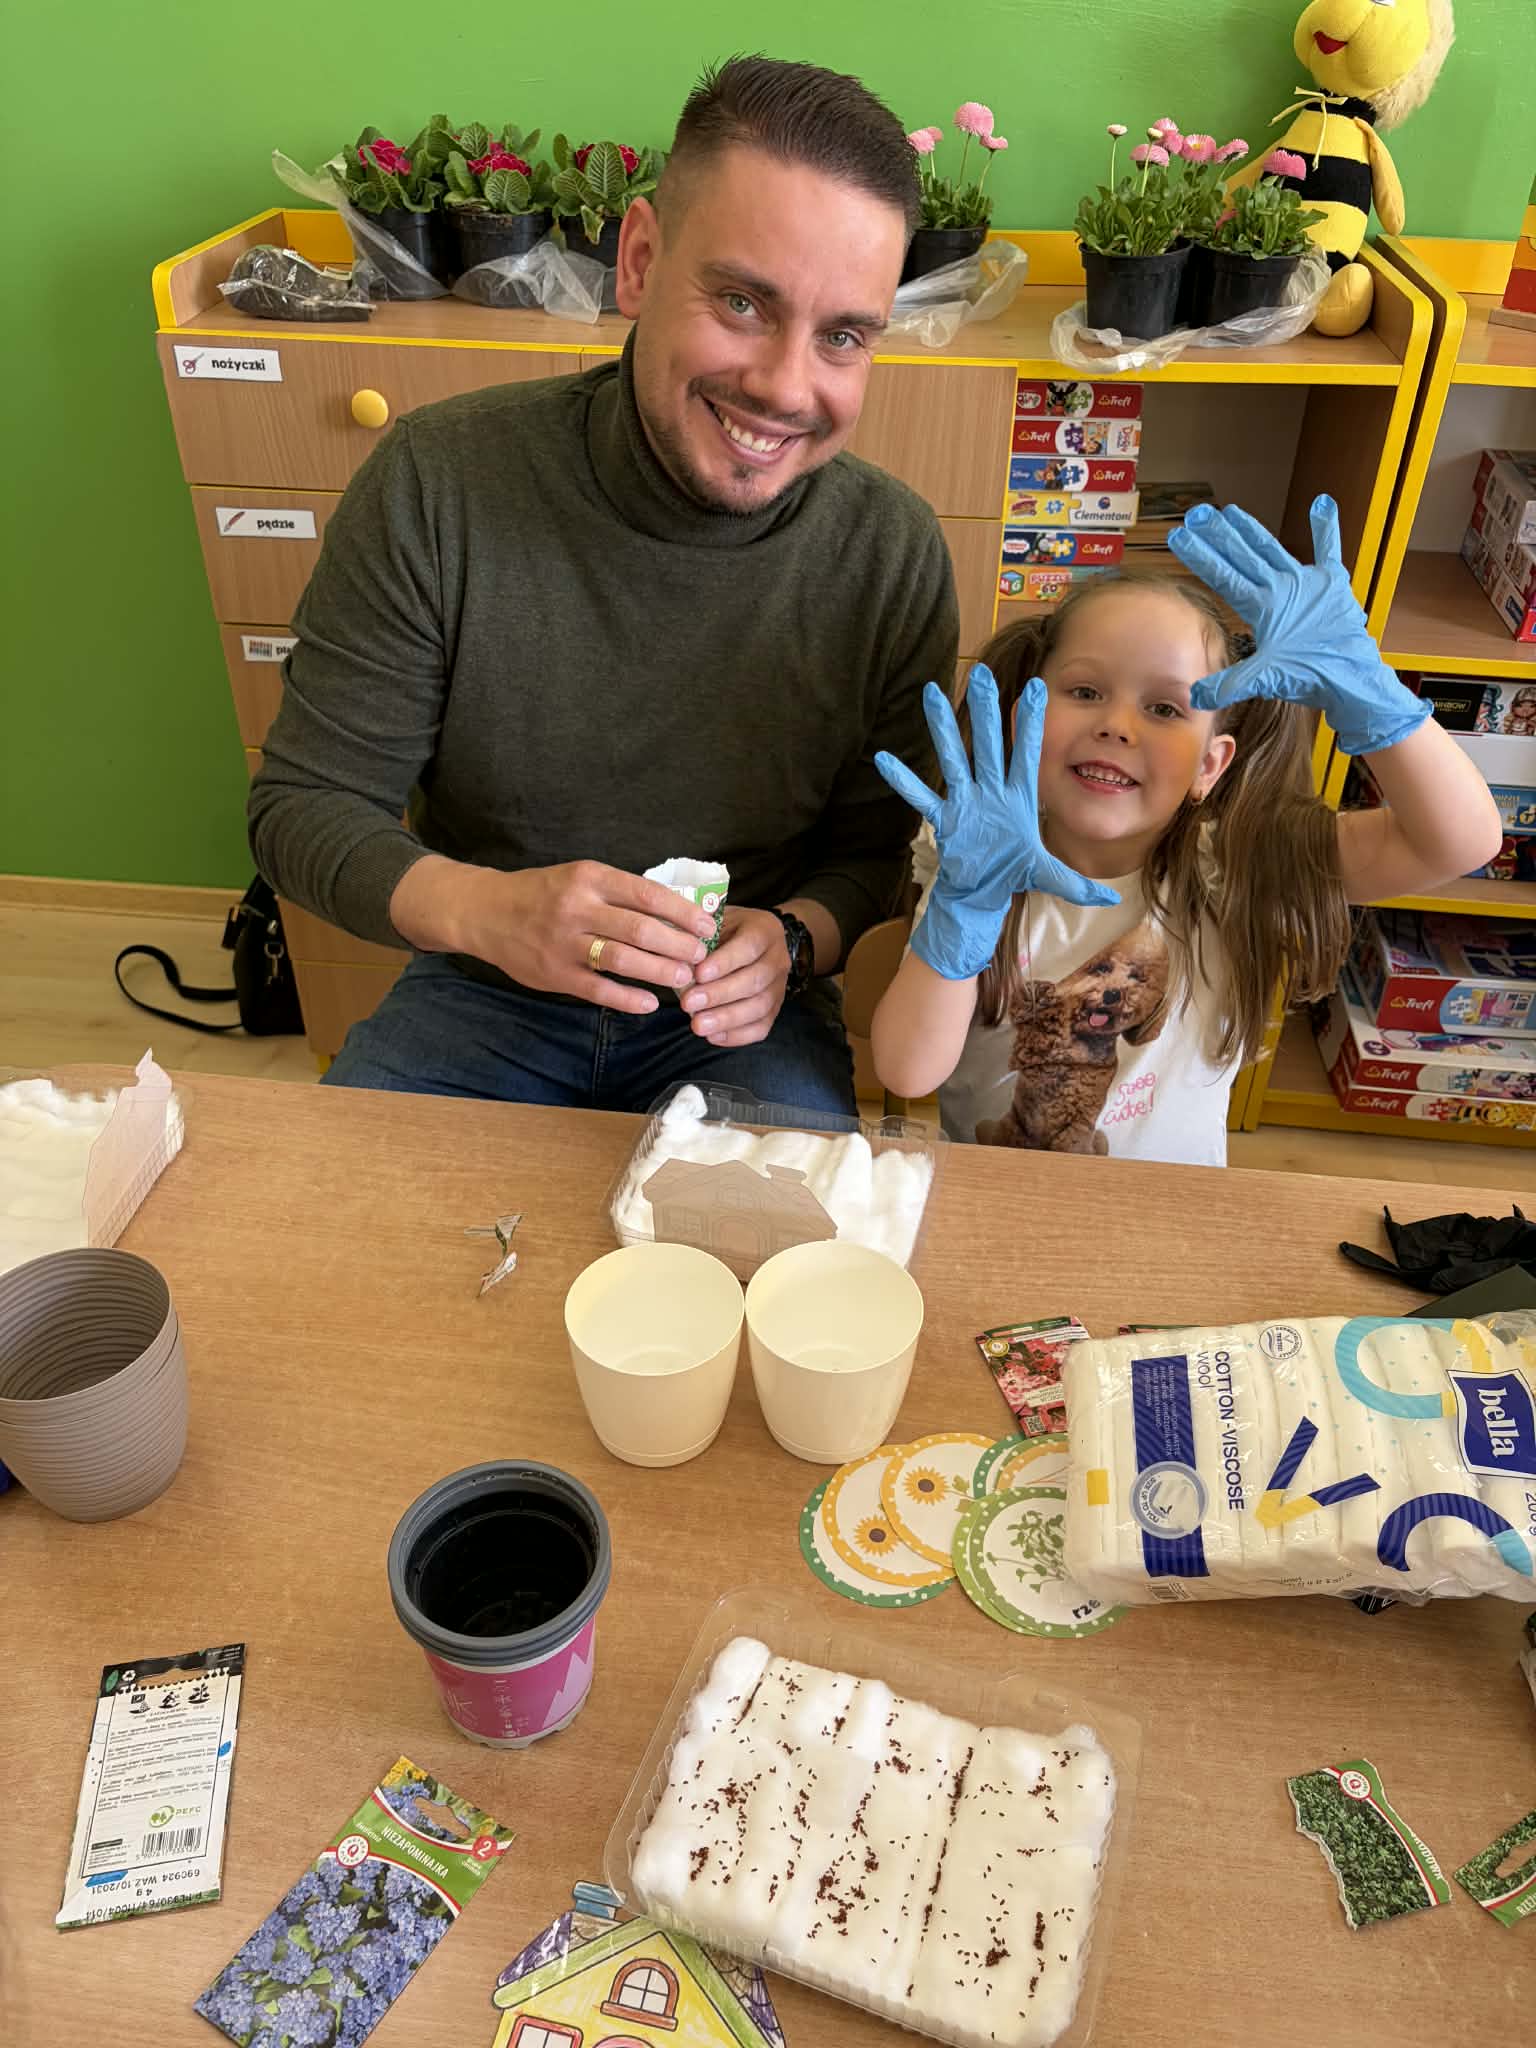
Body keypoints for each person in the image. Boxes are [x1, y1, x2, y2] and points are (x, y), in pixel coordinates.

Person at [248, 57, 954, 1114]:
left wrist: (797, 938)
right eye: (742, 302)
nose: (785, 386)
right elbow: (304, 806)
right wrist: (489, 912)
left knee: (783, 1226)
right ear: (638, 261)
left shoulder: (890, 551)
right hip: (482, 989)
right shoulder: (440, 482)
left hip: (744, 1022)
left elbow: (875, 854)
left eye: (843, 336)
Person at [870, 497, 1505, 1164]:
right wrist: (965, 906)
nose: (1117, 725)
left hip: (1177, 1210)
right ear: (1021, 713)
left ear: (1210, 765)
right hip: (999, 1200)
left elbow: (1461, 842)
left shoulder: (1236, 862)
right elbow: (907, 1072)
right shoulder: (975, 861)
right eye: (1085, 692)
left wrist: (1374, 694)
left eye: (1165, 708)